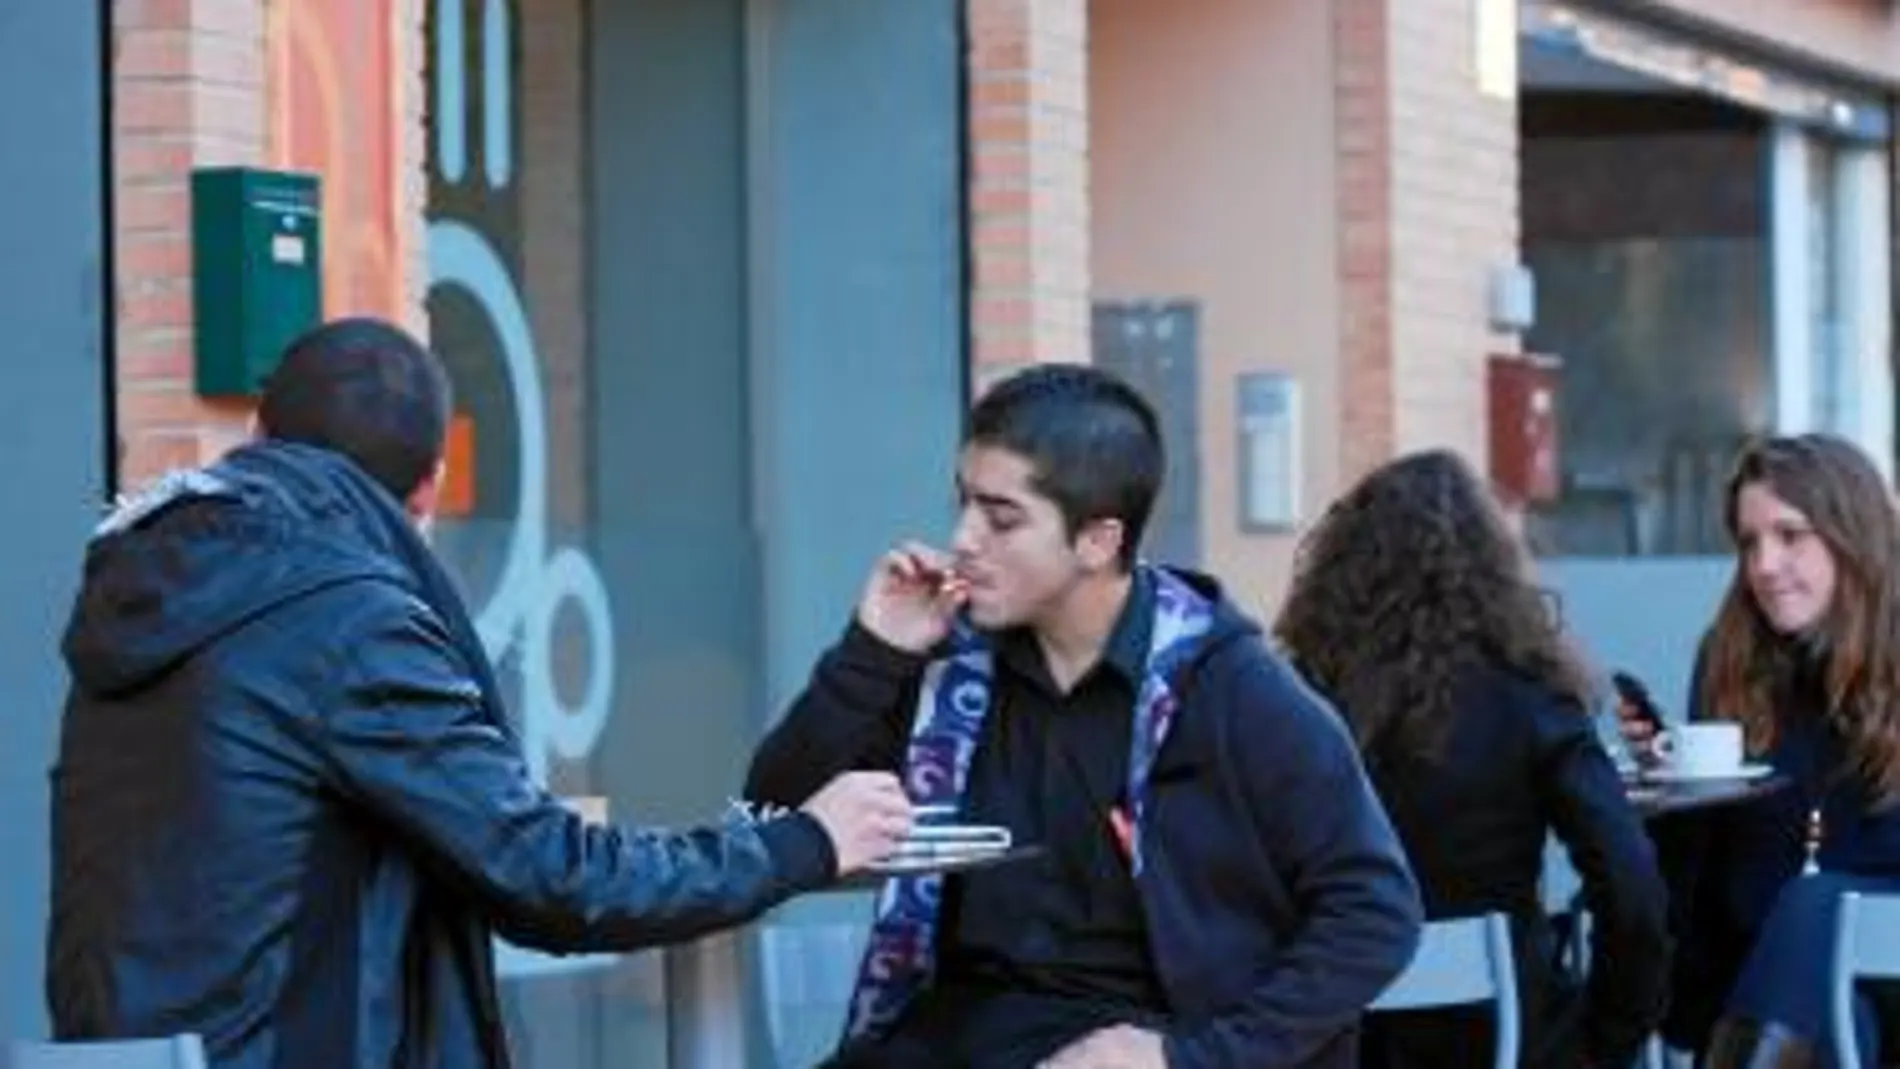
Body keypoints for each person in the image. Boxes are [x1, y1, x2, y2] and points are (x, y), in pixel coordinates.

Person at [46, 318, 912, 1069]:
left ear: (262, 434)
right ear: (428, 488)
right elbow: (552, 877)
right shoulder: (343, 618)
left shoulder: (161, 582)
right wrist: (807, 842)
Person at [744, 364, 1423, 1069]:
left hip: (1143, 1042)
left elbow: (1374, 910)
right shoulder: (952, 670)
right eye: (964, 504)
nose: (964, 537)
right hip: (952, 1038)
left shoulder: (1232, 687)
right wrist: (871, 652)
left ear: (1098, 540)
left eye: (1002, 517)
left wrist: (1194, 1059)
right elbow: (772, 813)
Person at [1274, 449, 1670, 1069]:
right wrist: (1611, 1032)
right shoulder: (1534, 694)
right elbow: (1630, 880)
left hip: (1343, 1030)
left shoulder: (1303, 699)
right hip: (1509, 1030)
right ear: (1493, 569)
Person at [1614, 433, 1900, 1066]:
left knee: (1818, 904)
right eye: (1749, 543)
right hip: (1769, 985)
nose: (1765, 565)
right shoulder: (1730, 659)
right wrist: (1674, 788)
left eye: (1790, 535)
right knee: (1828, 1007)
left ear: (1851, 536)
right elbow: (1705, 880)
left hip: (1893, 967)